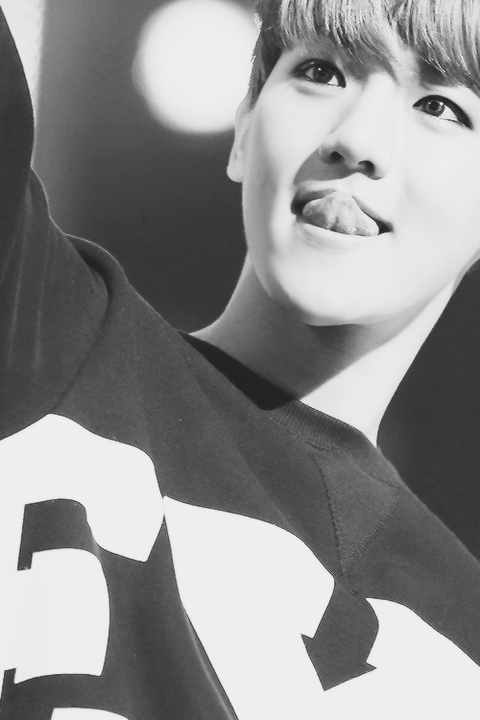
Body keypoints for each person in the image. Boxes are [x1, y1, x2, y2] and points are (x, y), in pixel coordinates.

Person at [1, 0, 480, 718]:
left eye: (440, 107)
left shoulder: (465, 655)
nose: (357, 140)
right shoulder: (42, 330)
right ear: (243, 127)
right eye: (321, 72)